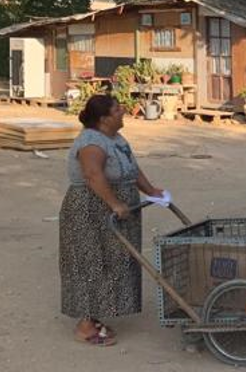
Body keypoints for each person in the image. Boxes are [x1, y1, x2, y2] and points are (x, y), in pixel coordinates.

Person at [59, 95, 166, 346]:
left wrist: (151, 191)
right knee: (90, 262)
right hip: (90, 210)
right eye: (117, 109)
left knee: (113, 261)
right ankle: (85, 326)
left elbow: (132, 169)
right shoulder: (90, 142)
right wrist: (115, 203)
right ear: (104, 118)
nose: (123, 111)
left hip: (113, 211)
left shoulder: (116, 139)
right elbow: (92, 174)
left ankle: (95, 316)